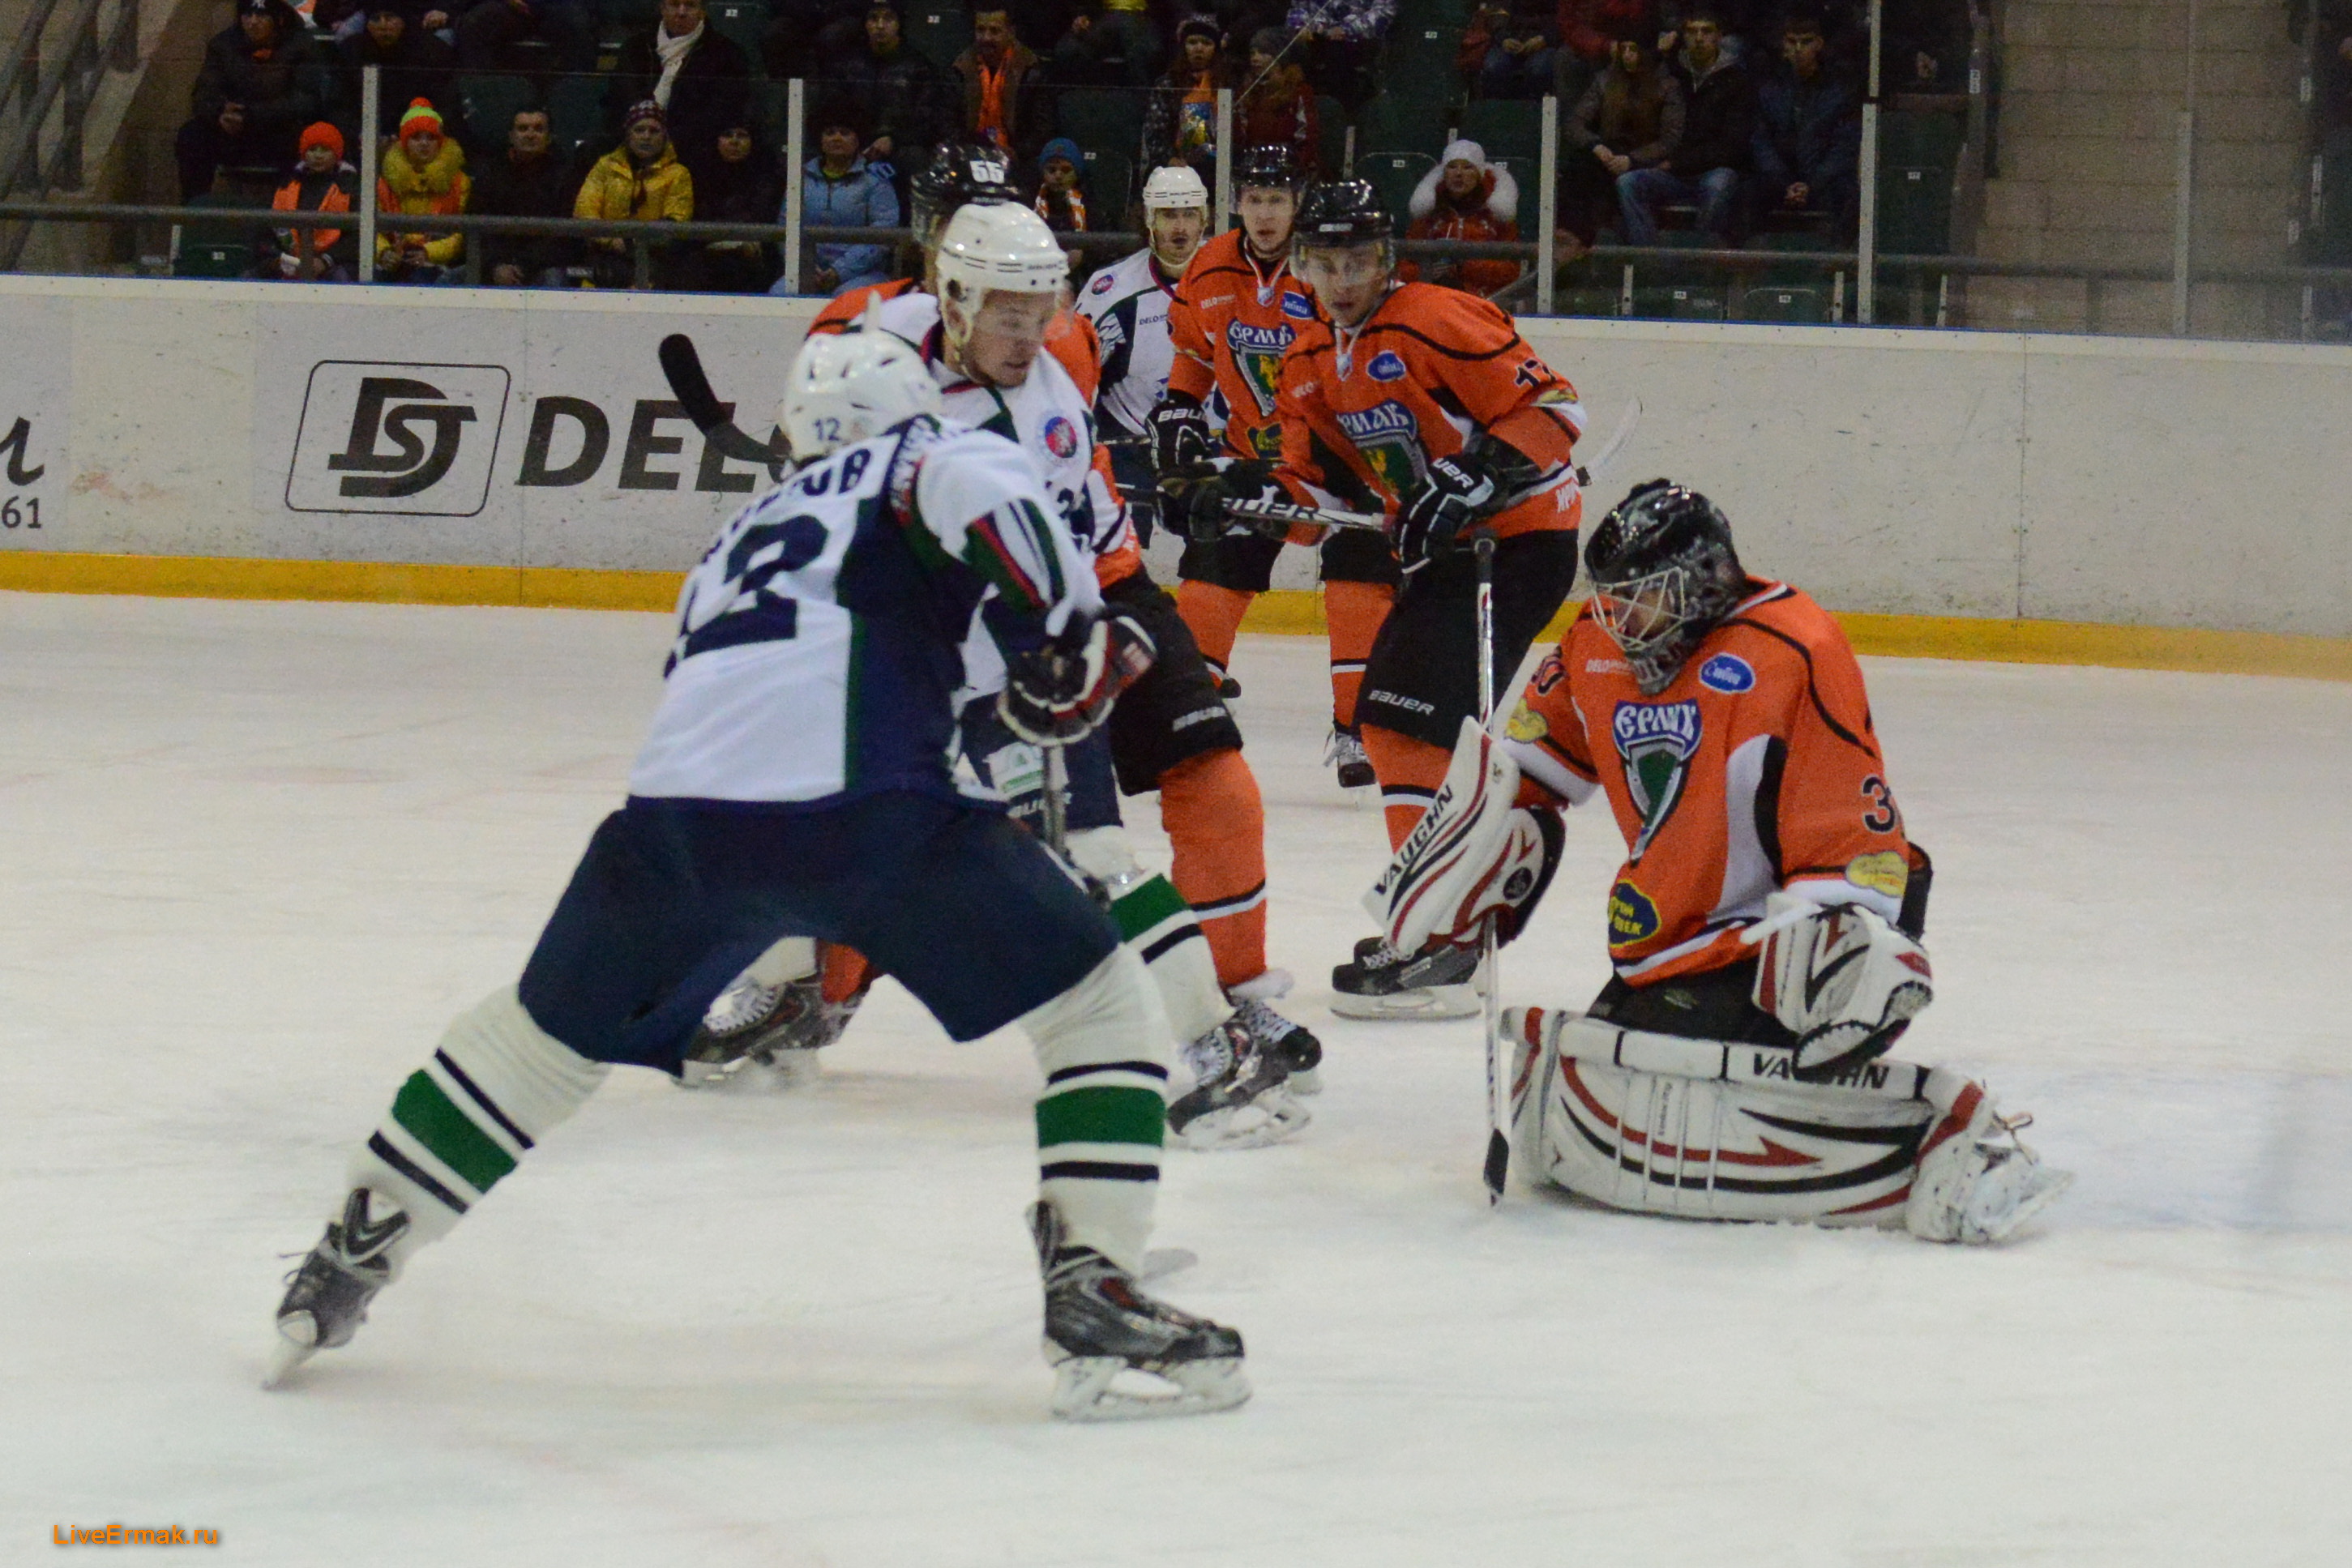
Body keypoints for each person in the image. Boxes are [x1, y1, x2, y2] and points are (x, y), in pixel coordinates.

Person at [265, 324, 1253, 1423]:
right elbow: (1015, 547)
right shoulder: (931, 456)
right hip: (870, 808)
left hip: (671, 826)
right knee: (1097, 1004)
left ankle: (352, 1247)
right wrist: (1067, 637)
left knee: (536, 1041)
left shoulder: (739, 535)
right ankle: (1092, 1285)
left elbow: (755, 677)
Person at [1361, 480, 2073, 1243]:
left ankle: (1902, 1062)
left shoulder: (1793, 647)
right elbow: (1531, 770)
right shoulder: (1596, 641)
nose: (1621, 620)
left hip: (1771, 942)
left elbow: (1844, 825)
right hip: (1664, 942)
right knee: (1604, 1096)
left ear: (1702, 581)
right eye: (1611, 599)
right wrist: (1480, 861)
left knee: (1694, 1095)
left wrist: (1825, 959)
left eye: (1643, 598)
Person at [760, 189, 1319, 1150]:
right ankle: (787, 990)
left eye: (1039, 314)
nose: (1029, 338)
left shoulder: (1040, 405)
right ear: (953, 300)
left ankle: (1219, 1039)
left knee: (1093, 858)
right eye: (1008, 316)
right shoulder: (895, 354)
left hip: (1022, 664)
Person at [1191, 179, 1584, 1019]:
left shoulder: (1436, 316)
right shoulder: (1305, 362)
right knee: (1388, 721)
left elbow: (1556, 408)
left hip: (1516, 544)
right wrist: (1244, 496)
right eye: (1325, 262)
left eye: (1359, 261)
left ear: (1387, 260)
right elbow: (1320, 501)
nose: (1342, 281)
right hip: (1445, 555)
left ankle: (1443, 939)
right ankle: (1438, 923)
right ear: (1302, 265)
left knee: (1410, 722)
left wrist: (1480, 471)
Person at [1157, 144, 1395, 792]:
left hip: (1342, 463)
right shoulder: (1208, 265)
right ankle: (1186, 715)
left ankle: (1355, 728)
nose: (1265, 214)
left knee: (1357, 585)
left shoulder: (1328, 268)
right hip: (1251, 458)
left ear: (1299, 203)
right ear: (1237, 203)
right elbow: (1193, 352)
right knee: (1210, 577)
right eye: (1255, 199)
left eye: (1278, 200)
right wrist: (1179, 408)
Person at [1074, 162, 1210, 541]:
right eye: (1168, 215)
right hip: (1132, 453)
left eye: (1189, 214)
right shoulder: (1112, 291)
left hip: (1212, 451)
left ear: (1204, 219)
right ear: (1150, 220)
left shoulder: (1231, 281)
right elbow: (1073, 374)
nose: (1180, 227)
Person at [1617, 4, 1754, 246]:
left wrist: (1677, 163)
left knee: (1720, 183)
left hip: (1711, 170)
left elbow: (1733, 146)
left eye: (1706, 31)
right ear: (1683, 36)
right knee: (1628, 182)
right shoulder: (1669, 73)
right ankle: (1647, 257)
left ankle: (1699, 257)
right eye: (1692, 31)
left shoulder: (1737, 81)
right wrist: (1658, 56)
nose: (1699, 38)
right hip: (1671, 172)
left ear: (1719, 37)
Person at [176, 0, 335, 200]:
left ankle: (289, 208)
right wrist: (219, 113)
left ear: (278, 19)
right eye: (247, 15)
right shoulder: (223, 45)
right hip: (234, 132)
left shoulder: (301, 45)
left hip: (279, 131)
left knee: (305, 140)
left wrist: (253, 115)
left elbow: (305, 101)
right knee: (192, 136)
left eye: (261, 16)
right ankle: (194, 208)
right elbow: (204, 92)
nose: (253, 22)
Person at [609, 0, 753, 190]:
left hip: (693, 146)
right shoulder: (635, 47)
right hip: (634, 139)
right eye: (675, 4)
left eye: (690, 5)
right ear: (662, 8)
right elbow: (618, 100)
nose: (681, 12)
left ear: (702, 12)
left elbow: (723, 111)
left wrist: (669, 140)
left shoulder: (727, 54)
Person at [1559, 25, 1683, 243]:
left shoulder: (1667, 86)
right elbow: (1575, 123)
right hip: (1609, 156)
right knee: (1580, 166)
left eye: (1633, 49)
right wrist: (1595, 145)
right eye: (1623, 49)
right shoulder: (1605, 80)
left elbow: (1670, 139)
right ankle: (1573, 239)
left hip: (1646, 159)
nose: (1627, 55)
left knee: (1624, 181)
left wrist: (1632, 159)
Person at [1750, 11, 1858, 236]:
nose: (1798, 49)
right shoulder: (1768, 87)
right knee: (1747, 192)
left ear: (1819, 44)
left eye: (1806, 42)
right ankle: (1745, 257)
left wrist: (1812, 184)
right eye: (1792, 42)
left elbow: (1845, 145)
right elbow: (1760, 140)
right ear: (1783, 44)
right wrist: (1784, 183)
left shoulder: (1840, 89)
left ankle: (1839, 254)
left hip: (1824, 180)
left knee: (1850, 194)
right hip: (1779, 179)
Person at [777, 108, 900, 297]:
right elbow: (785, 225)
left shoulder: (875, 181)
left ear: (857, 140)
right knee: (779, 293)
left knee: (846, 300)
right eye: (830, 133)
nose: (836, 138)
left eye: (844, 133)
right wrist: (805, 266)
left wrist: (840, 271)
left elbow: (883, 233)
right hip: (807, 270)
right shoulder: (800, 178)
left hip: (863, 273)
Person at [573, 99, 694, 288]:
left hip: (655, 263)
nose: (646, 137)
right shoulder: (605, 166)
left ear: (665, 136)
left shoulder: (678, 174)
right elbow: (585, 211)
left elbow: (677, 220)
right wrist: (610, 240)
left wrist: (632, 243)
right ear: (628, 134)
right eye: (639, 130)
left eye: (654, 131)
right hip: (605, 258)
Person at [824, 0, 953, 176]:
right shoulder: (847, 66)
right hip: (854, 147)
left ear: (899, 24)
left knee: (915, 157)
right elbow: (833, 111)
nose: (880, 26)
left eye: (888, 18)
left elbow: (929, 120)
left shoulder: (919, 67)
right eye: (873, 18)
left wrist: (894, 140)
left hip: (901, 150)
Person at [472, 106, 578, 287]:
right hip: (495, 266)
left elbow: (564, 237)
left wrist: (522, 266)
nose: (530, 135)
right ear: (511, 136)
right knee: (451, 280)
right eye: (523, 129)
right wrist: (496, 266)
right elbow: (476, 227)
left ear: (549, 137)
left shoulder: (566, 177)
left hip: (542, 266)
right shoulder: (490, 174)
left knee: (554, 280)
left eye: (538, 129)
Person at [1401, 139, 1520, 297]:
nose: (1459, 174)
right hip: (1434, 299)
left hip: (1483, 301)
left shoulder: (1497, 216)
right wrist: (1427, 271)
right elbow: (1402, 268)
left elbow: (1511, 271)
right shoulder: (1428, 214)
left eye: (1467, 167)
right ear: (1444, 173)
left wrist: (1466, 264)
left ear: (1479, 174)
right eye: (1452, 167)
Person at [336, 2, 462, 148]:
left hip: (420, 142)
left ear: (403, 21)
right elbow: (340, 104)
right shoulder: (351, 52)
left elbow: (444, 104)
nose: (383, 25)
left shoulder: (433, 52)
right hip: (363, 142)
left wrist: (408, 134)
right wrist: (359, 135)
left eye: (390, 18)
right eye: (376, 19)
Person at [374, 97, 471, 282]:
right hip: (393, 262)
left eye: (431, 137)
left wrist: (429, 253)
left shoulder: (460, 182)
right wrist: (384, 252)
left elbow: (463, 234)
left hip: (440, 265)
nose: (424, 143)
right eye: (416, 137)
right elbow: (372, 229)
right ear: (405, 142)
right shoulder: (385, 183)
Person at [686, 118, 781, 293]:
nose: (734, 141)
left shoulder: (768, 177)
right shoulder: (700, 176)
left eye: (742, 135)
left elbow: (763, 216)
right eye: (727, 135)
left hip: (753, 257)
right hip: (706, 253)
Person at [953, 6, 1053, 163]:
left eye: (994, 31)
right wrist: (966, 150)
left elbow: (1042, 129)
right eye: (980, 30)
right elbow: (947, 123)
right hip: (968, 156)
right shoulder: (959, 69)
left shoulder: (1031, 71)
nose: (986, 38)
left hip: (1018, 159)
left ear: (1011, 32)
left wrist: (1016, 153)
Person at [1140, 16, 1234, 176]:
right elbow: (1155, 131)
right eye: (1192, 42)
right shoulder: (1168, 84)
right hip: (1175, 167)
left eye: (1206, 43)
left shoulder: (1227, 83)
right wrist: (1169, 159)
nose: (1199, 48)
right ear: (1183, 47)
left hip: (1220, 168)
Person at [268, 122, 360, 280]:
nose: (318, 156)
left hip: (335, 262)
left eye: (325, 150)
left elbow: (357, 237)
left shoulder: (351, 187)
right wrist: (279, 259)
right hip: (290, 262)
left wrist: (325, 260)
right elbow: (271, 228)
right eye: (312, 150)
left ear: (337, 154)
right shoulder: (287, 185)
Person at [1233, 27, 1318, 173]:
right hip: (1252, 168)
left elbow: (1307, 139)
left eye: (1263, 53)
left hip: (1290, 169)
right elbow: (1239, 137)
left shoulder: (1299, 92)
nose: (1255, 58)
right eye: (1252, 53)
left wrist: (1295, 167)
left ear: (1280, 57)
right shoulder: (1246, 92)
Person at [451, 0, 597, 73]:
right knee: (473, 24)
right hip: (511, 8)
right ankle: (484, 98)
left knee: (578, 26)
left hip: (561, 6)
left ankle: (576, 103)